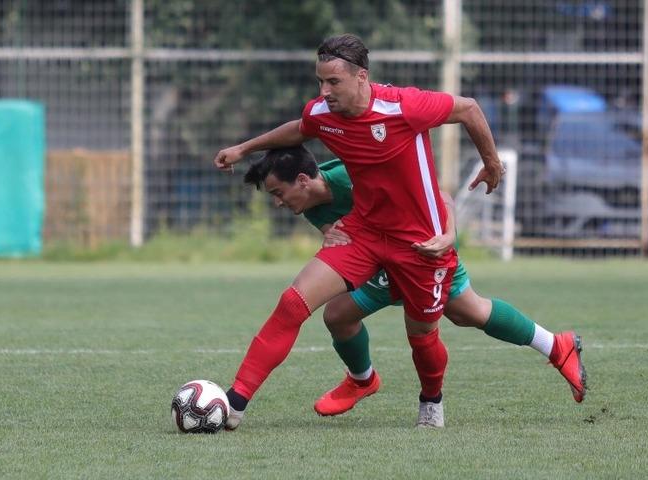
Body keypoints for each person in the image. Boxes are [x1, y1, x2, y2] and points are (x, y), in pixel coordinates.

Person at [212, 33, 585, 429]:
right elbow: (301, 127)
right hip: (368, 236)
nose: (324, 91)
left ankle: (433, 400)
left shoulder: (404, 106)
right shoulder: (324, 114)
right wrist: (243, 149)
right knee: (295, 303)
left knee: (435, 328)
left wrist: (491, 164)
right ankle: (235, 405)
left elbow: (469, 109)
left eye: (333, 82)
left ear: (361, 77)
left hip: (421, 244)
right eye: (320, 82)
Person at [242, 145, 586, 424]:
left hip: (424, 251)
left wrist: (447, 235)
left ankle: (556, 346)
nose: (277, 202)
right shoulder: (310, 205)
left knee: (469, 312)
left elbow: (440, 196)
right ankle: (362, 380)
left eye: (277, 192)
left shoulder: (352, 175)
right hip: (384, 264)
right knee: (338, 315)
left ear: (303, 180)